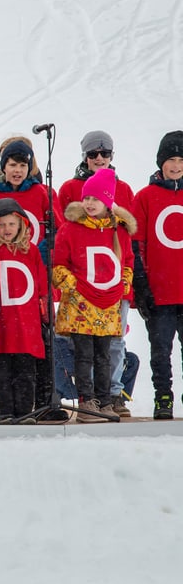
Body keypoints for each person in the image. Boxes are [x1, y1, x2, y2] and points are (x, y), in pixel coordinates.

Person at [58, 131, 134, 416]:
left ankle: (109, 398)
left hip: (109, 298)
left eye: (104, 153)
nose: (99, 158)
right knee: (84, 353)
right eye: (93, 154)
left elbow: (127, 256)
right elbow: (61, 258)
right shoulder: (72, 217)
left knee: (108, 350)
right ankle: (86, 399)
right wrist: (72, 286)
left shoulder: (119, 222)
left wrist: (123, 285)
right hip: (81, 299)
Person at [132, 130, 183, 419]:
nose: (175, 166)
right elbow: (136, 243)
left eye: (180, 160)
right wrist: (142, 284)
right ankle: (163, 397)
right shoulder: (146, 197)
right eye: (170, 160)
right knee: (160, 352)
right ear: (160, 163)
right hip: (160, 292)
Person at [0, 199, 47, 424]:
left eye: (11, 224)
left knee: (25, 371)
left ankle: (24, 412)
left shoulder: (31, 253)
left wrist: (46, 315)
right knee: (0, 371)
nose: (7, 229)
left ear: (21, 225)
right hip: (0, 324)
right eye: (1, 224)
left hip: (25, 324)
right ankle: (5, 412)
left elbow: (41, 287)